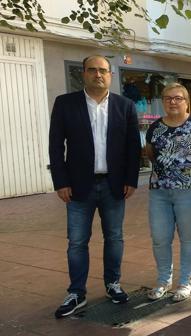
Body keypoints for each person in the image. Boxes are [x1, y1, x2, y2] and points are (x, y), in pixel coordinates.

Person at [49, 55, 141, 318]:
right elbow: (56, 146)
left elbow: (133, 147)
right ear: (83, 74)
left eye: (103, 71)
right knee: (77, 241)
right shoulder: (66, 104)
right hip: (78, 186)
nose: (98, 75)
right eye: (92, 70)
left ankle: (113, 284)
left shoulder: (125, 106)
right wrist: (61, 181)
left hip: (114, 185)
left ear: (110, 75)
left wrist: (130, 179)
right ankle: (76, 292)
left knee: (114, 237)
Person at [144, 83, 191, 302]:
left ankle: (185, 281)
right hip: (159, 192)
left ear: (186, 102)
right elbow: (151, 154)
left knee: (188, 238)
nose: (173, 102)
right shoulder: (155, 127)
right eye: (168, 98)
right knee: (160, 237)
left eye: (178, 98)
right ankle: (163, 280)